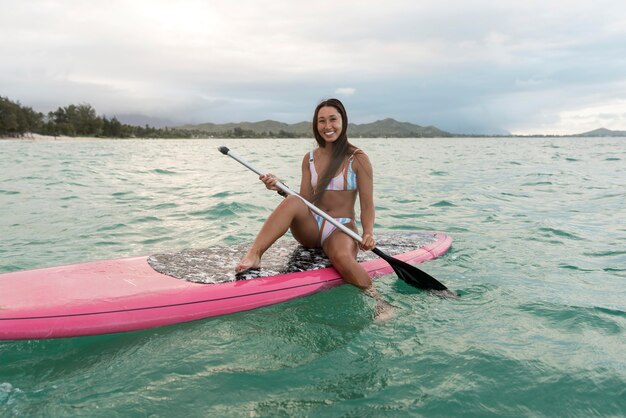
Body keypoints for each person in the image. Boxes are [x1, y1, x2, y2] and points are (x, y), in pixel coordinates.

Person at [236, 98, 392, 318]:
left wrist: (368, 233)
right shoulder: (309, 159)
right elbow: (305, 200)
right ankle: (255, 254)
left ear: (343, 121)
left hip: (340, 227)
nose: (327, 126)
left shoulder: (357, 159)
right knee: (293, 201)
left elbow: (367, 203)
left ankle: (380, 302)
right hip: (312, 227)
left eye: (332, 119)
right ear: (316, 125)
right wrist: (279, 188)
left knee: (341, 258)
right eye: (321, 121)